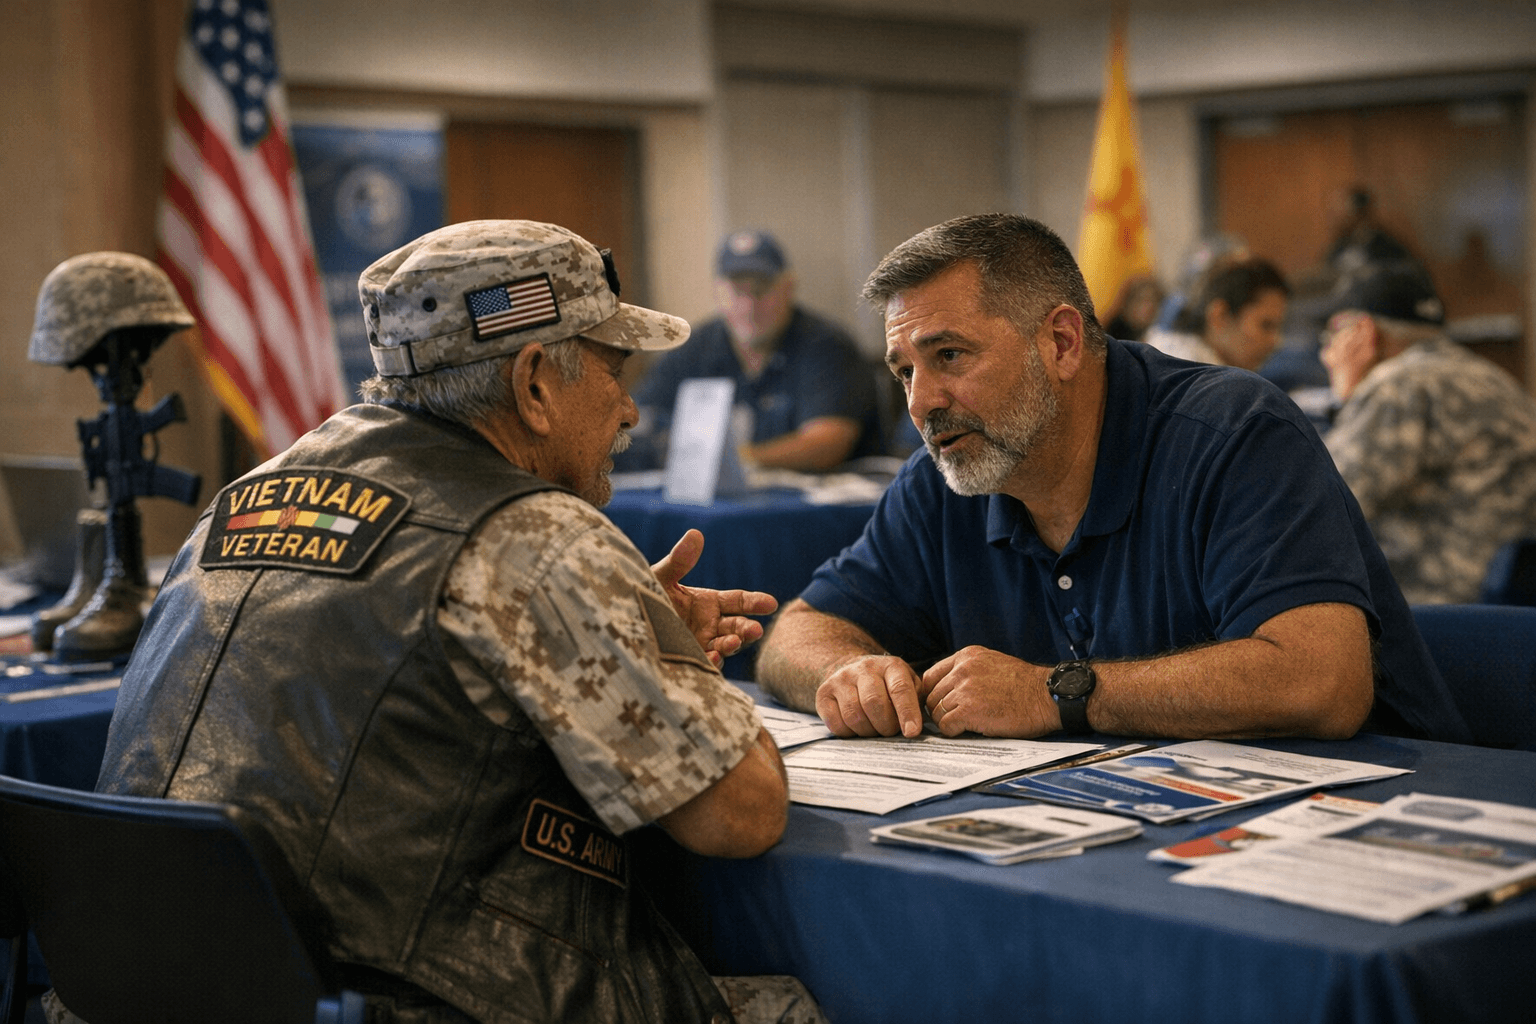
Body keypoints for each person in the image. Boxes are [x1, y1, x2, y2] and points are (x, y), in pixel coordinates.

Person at [86, 221, 826, 1024]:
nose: (630, 410)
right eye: (613, 371)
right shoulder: (536, 537)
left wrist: (617, 620)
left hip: (143, 994)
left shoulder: (239, 503)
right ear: (534, 384)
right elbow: (742, 815)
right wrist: (658, 637)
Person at [755, 213, 1471, 747]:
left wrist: (1055, 694)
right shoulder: (943, 477)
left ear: (1062, 342)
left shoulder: (1234, 433)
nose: (920, 404)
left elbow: (1322, 681)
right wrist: (850, 672)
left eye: (949, 356)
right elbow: (797, 632)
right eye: (904, 372)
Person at [1319, 262, 1536, 605]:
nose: (1326, 352)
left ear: (1365, 333)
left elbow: (1323, 504)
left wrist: (1347, 398)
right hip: (1505, 601)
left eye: (1332, 335)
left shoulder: (1401, 384)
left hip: (1436, 598)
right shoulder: (1488, 374)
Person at [624, 230, 880, 471]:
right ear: (717, 293)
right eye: (737, 292)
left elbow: (826, 445)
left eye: (761, 290)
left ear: (788, 288)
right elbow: (633, 421)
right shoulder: (695, 348)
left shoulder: (827, 346)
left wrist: (728, 462)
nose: (749, 306)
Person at [1141, 257, 1289, 371]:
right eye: (1266, 325)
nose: (1275, 341)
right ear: (1219, 316)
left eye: (1278, 327)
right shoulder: (1190, 373)